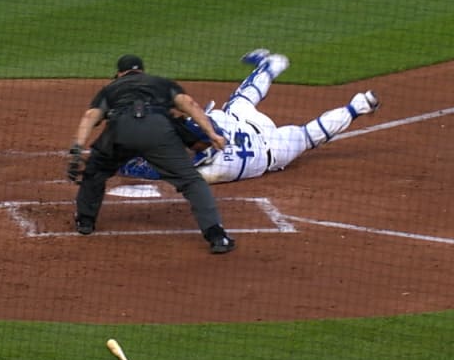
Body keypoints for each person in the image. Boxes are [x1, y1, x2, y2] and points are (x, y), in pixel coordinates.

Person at [119, 49, 380, 184]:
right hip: (246, 128)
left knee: (307, 136)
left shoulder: (202, 170)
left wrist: (124, 164)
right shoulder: (198, 136)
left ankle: (358, 106)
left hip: (272, 152)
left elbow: (161, 168)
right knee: (242, 99)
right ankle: (272, 65)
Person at [67, 54, 237, 254]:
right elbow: (189, 104)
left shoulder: (110, 88)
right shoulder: (162, 83)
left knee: (95, 172)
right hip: (159, 132)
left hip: (121, 131)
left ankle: (85, 222)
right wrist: (212, 134)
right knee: (192, 181)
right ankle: (217, 236)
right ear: (142, 71)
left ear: (119, 73)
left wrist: (78, 146)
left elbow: (90, 116)